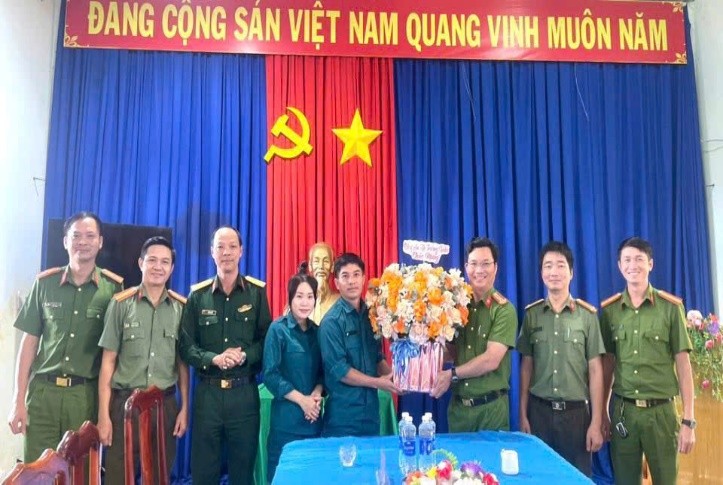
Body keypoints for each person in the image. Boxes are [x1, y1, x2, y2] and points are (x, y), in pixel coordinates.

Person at [8, 212, 123, 462]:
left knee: (79, 472)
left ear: (100, 242)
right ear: (65, 241)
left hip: (84, 398)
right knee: (37, 471)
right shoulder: (45, 284)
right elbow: (29, 343)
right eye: (76, 236)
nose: (83, 241)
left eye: (90, 236)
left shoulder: (113, 290)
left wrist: (105, 413)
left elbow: (112, 355)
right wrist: (17, 400)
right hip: (43, 397)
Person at [179, 225, 272, 485]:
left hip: (244, 395)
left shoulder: (256, 293)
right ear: (212, 252)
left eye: (232, 246)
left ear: (241, 251)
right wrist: (213, 359)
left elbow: (266, 341)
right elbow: (186, 346)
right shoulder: (198, 296)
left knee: (242, 473)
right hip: (208, 395)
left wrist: (245, 356)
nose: (226, 252)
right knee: (203, 473)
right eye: (220, 247)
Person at [600, 237, 695, 485]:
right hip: (624, 413)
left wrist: (688, 420)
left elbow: (683, 365)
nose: (633, 265)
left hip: (661, 413)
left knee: (666, 480)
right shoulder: (610, 311)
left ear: (650, 264)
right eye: (627, 260)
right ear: (619, 266)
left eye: (639, 259)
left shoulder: (670, 308)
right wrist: (602, 412)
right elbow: (608, 365)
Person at [97, 236, 190, 484]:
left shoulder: (181, 309)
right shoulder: (120, 305)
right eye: (152, 260)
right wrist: (103, 416)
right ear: (141, 263)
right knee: (117, 478)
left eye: (165, 262)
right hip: (124, 406)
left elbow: (183, 365)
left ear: (172, 268)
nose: (158, 267)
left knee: (159, 476)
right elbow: (108, 362)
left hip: (164, 407)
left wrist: (184, 408)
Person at [517, 241, 605, 476]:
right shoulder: (532, 315)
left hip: (576, 416)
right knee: (539, 477)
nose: (553, 272)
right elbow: (526, 367)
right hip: (539, 413)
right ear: (541, 273)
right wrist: (522, 414)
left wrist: (596, 422)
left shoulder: (587, 316)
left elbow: (596, 370)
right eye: (548, 266)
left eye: (560, 265)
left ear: (571, 272)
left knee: (575, 477)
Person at [430, 237, 517, 432]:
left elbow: (491, 360)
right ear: (466, 267)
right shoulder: (455, 306)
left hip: (491, 412)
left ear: (496, 267)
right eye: (474, 264)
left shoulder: (504, 310)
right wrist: (421, 357)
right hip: (459, 411)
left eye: (486, 264)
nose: (479, 270)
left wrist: (451, 374)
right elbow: (452, 351)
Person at [318, 252, 399, 437]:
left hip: (371, 416)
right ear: (336, 283)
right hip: (343, 419)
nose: (351, 281)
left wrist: (395, 378)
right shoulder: (331, 322)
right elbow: (340, 370)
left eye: (356, 275)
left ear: (364, 279)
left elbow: (376, 357)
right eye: (345, 276)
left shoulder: (372, 316)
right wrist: (378, 383)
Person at [263, 262, 323, 481]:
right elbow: (270, 375)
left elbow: (323, 373)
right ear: (290, 298)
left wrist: (316, 394)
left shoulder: (318, 332)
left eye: (310, 297)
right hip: (286, 424)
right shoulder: (278, 329)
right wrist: (302, 401)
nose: (305, 302)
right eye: (299, 296)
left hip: (313, 422)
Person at [308, 242, 340, 323]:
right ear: (310, 266)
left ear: (332, 267)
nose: (321, 266)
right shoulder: (297, 303)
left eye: (326, 261)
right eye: (316, 261)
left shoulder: (340, 303)